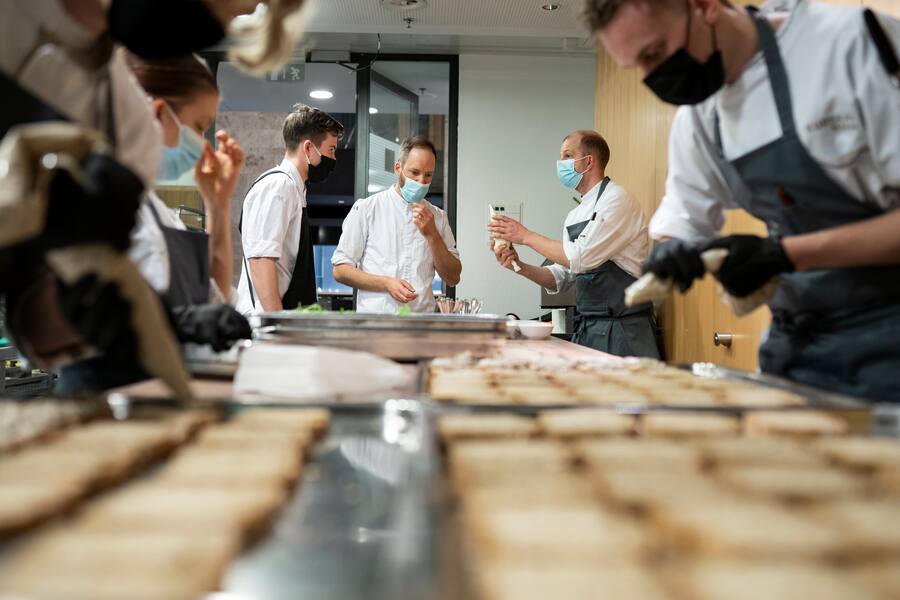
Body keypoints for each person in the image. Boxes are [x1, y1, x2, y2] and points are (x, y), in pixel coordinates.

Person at [584, 0, 900, 401]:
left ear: (705, 7)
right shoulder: (700, 116)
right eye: (638, 66)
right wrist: (672, 254)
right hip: (799, 342)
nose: (653, 76)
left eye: (655, 53)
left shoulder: (845, 45)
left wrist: (784, 254)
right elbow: (681, 223)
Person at [489, 130, 659, 358]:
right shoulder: (575, 215)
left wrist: (525, 236)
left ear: (588, 161)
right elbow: (562, 277)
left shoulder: (617, 200)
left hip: (623, 331)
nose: (561, 163)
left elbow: (581, 257)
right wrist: (519, 266)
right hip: (588, 328)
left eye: (568, 156)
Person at [332, 136, 461, 314]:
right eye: (414, 172)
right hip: (377, 324)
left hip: (421, 324)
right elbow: (340, 270)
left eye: (428, 175)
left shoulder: (438, 217)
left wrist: (433, 235)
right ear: (398, 168)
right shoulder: (367, 209)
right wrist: (386, 283)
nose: (421, 181)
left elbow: (453, 277)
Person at [236, 104, 343, 314]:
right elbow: (261, 259)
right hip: (266, 323)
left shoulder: (295, 189)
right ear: (308, 148)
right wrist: (278, 323)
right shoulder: (278, 185)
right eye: (331, 150)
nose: (334, 159)